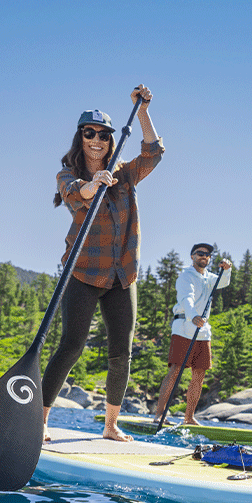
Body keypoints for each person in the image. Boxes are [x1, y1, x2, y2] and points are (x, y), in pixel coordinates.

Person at [41, 84, 161, 442]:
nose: (97, 140)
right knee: (71, 345)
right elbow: (76, 194)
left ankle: (111, 426)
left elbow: (154, 153)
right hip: (81, 273)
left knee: (120, 353)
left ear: (111, 141)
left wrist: (142, 113)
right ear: (81, 138)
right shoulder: (66, 173)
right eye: (89, 133)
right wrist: (93, 183)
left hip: (123, 275)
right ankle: (42, 419)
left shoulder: (125, 173)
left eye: (103, 135)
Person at [153, 243, 232, 425]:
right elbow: (186, 297)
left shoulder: (210, 277)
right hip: (184, 325)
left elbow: (223, 282)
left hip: (203, 330)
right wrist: (193, 315)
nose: (204, 256)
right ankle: (159, 415)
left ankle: (189, 418)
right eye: (200, 253)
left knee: (200, 373)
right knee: (176, 370)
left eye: (207, 255)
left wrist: (226, 270)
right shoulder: (186, 276)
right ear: (192, 256)